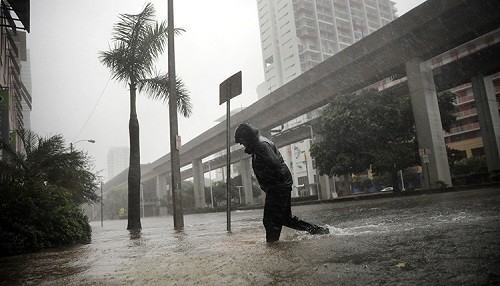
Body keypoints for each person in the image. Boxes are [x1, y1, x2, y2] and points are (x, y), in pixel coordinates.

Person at [234, 123, 329, 243]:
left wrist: (271, 186)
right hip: (282, 184)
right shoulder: (258, 144)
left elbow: (275, 165)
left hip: (278, 186)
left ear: (246, 136)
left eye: (241, 140)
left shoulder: (261, 146)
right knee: (285, 218)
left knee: (270, 220)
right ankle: (318, 231)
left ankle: (273, 247)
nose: (241, 144)